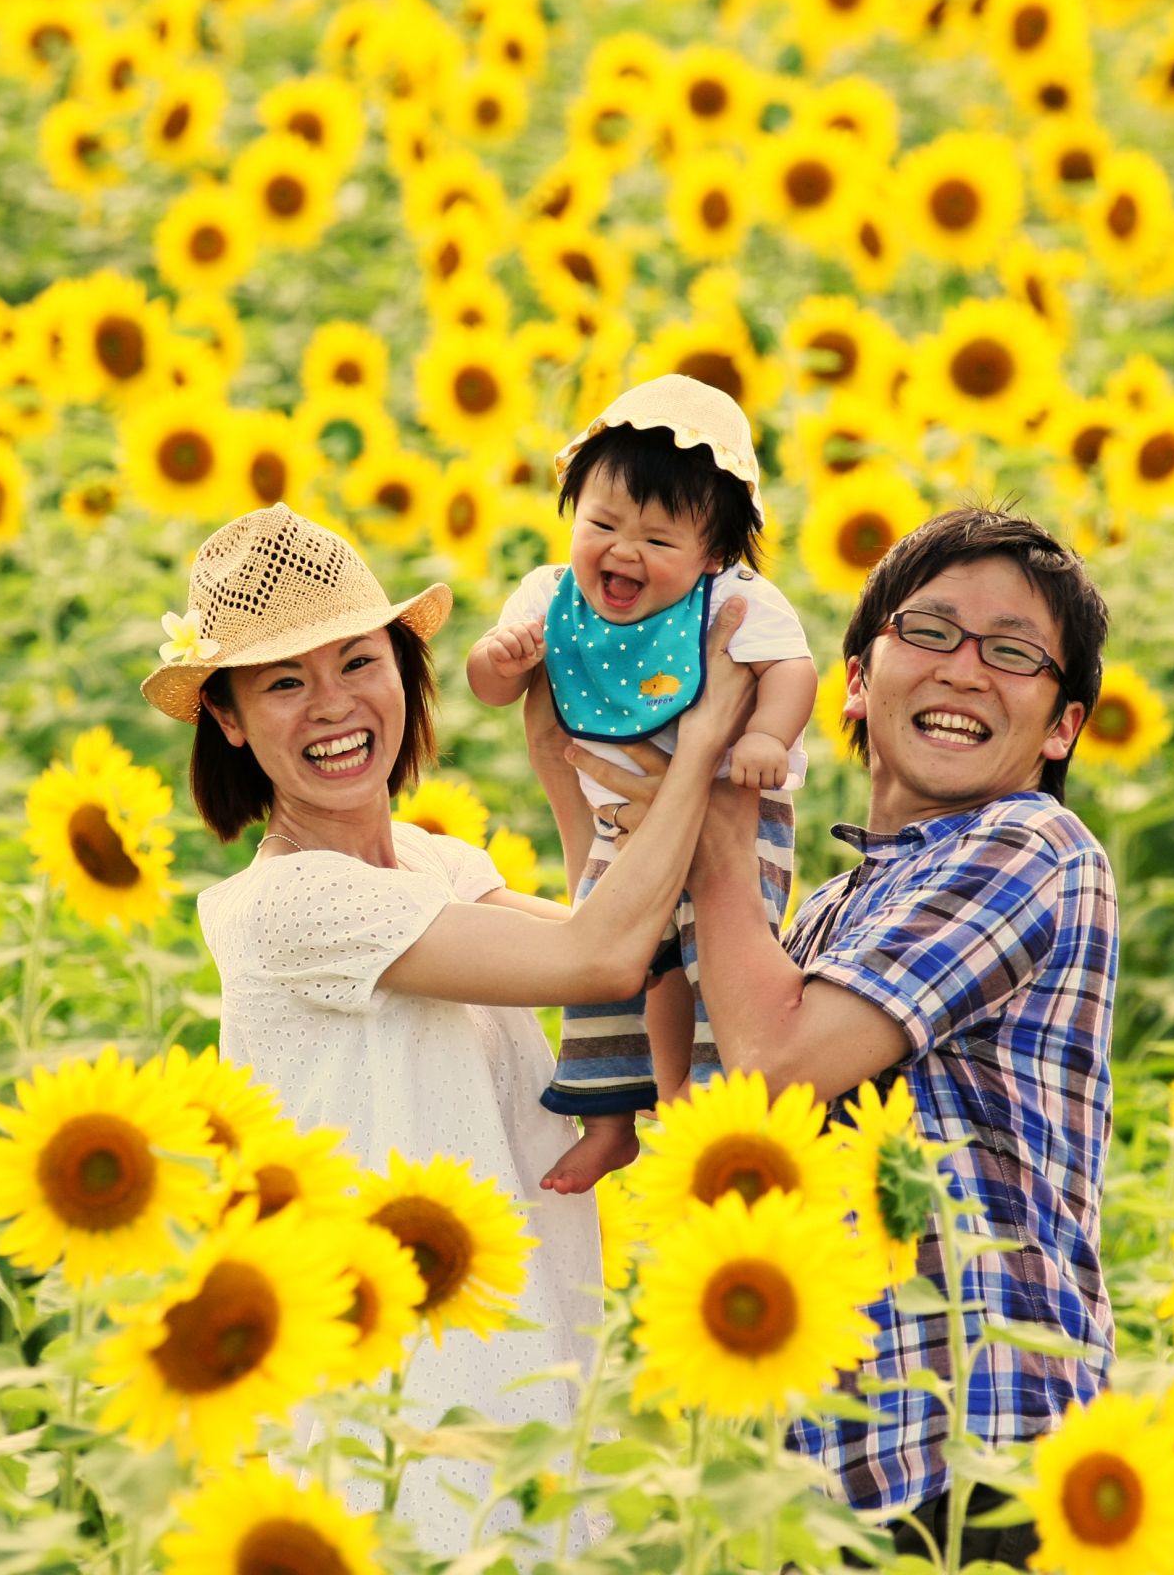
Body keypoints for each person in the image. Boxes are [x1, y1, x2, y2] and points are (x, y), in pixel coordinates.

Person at [141, 504, 753, 1558]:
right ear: (230, 720)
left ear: (403, 670)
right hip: (394, 1415)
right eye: (285, 682)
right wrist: (697, 746)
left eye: (356, 662)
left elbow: (631, 955)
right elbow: (599, 958)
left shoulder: (438, 869)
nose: (333, 705)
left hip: (516, 1365)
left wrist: (560, 763)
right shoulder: (289, 906)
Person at [545, 505, 1114, 1565]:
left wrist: (711, 789)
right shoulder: (817, 922)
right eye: (931, 632)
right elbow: (701, 1119)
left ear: (1063, 726)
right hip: (834, 1489)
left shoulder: (1036, 845)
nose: (963, 671)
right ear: (856, 678)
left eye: (1013, 652)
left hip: (988, 1468)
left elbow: (774, 1067)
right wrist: (590, 778)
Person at [464, 375, 818, 1195]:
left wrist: (765, 732)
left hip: (736, 821)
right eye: (603, 524)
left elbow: (792, 670)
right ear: (571, 512)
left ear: (714, 555)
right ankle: (613, 1120)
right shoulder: (550, 599)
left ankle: (704, 1104)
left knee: (711, 966)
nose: (623, 552)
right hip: (623, 824)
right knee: (599, 962)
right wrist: (500, 662)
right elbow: (489, 683)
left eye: (659, 541)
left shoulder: (733, 603)